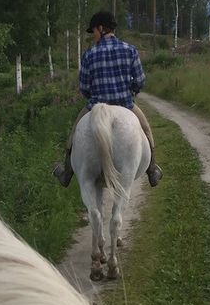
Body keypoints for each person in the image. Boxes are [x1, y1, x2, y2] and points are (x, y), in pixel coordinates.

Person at [52, 10, 163, 188]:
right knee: (146, 130)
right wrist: (131, 92)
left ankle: (66, 173)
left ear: (101, 28)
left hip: (95, 106)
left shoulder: (89, 55)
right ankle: (152, 170)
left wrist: (93, 97)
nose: (93, 36)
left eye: (93, 31)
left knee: (73, 134)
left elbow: (84, 87)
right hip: (126, 104)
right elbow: (140, 80)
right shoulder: (130, 50)